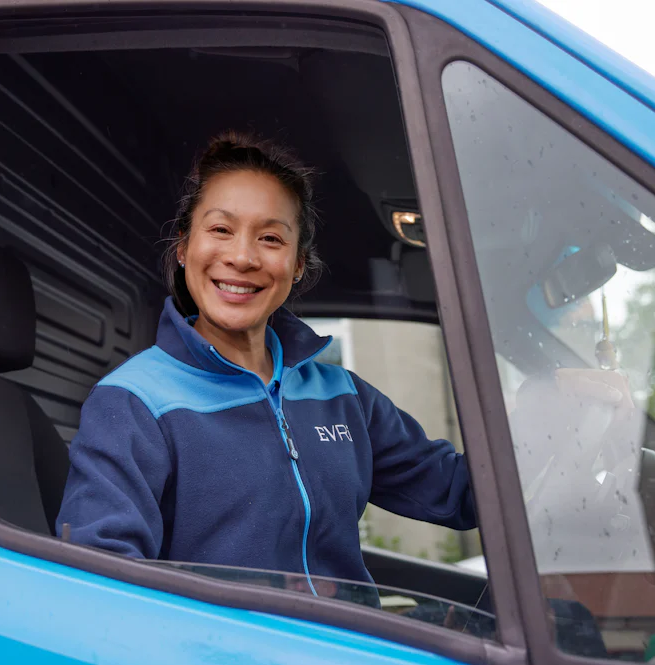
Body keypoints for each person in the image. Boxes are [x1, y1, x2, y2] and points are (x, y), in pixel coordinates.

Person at [55, 131, 476, 588]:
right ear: (183, 247)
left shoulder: (344, 397)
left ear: (297, 264)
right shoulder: (133, 402)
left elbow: (460, 492)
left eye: (271, 238)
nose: (242, 257)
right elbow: (102, 580)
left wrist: (536, 411)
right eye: (220, 230)